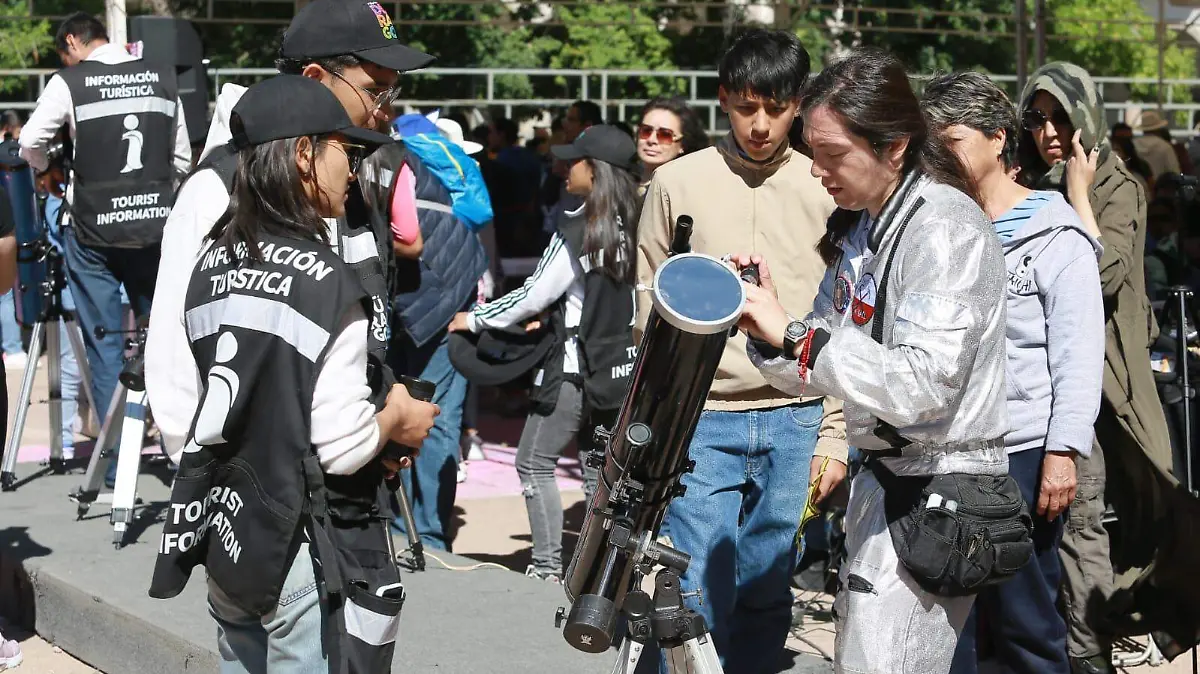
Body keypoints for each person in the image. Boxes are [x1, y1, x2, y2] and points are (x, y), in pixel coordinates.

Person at [147, 74, 439, 674]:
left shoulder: (212, 258)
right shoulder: (327, 283)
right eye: (346, 152)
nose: (354, 171)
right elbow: (343, 444)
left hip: (225, 527)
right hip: (293, 540)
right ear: (304, 154)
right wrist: (399, 418)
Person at [735, 47, 1010, 674]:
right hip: (884, 484)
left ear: (893, 146)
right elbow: (825, 350)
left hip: (938, 488)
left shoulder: (942, 227)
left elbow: (922, 387)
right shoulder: (866, 226)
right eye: (813, 153)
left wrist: (797, 339)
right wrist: (768, 326)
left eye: (832, 155)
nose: (817, 171)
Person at [637, 29, 846, 673]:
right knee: (695, 585)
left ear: (800, 104)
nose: (760, 124)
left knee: (766, 585)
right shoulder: (676, 185)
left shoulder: (829, 188)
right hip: (701, 418)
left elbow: (845, 319)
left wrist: (833, 435)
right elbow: (649, 314)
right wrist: (654, 428)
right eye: (745, 106)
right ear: (723, 100)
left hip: (799, 414)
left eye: (777, 108)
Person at [145, 0, 434, 460]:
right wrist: (197, 471)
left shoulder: (354, 176)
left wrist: (376, 427)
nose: (385, 112)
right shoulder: (218, 191)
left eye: (391, 94)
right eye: (374, 91)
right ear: (316, 79)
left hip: (347, 472)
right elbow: (174, 354)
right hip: (256, 494)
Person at [923, 71, 1106, 674]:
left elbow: (1079, 357)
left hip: (1024, 450)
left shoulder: (1055, 234)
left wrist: (1063, 452)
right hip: (948, 450)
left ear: (998, 139)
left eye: (952, 140)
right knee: (953, 624)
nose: (939, 155)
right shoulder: (934, 227)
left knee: (1026, 622)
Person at [1017, 62, 1173, 674]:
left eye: (1060, 116)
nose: (1049, 131)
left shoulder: (1115, 185)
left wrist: (1077, 195)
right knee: (1061, 517)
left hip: (1106, 381)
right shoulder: (1025, 181)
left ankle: (1089, 653)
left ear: (1085, 113)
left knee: (1092, 516)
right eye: (1037, 118)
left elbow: (1099, 275)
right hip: (1040, 381)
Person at [448, 124, 640, 582]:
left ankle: (547, 567)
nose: (563, 167)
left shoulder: (579, 226)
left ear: (593, 172)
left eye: (574, 160)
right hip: (620, 370)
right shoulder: (635, 226)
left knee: (533, 461)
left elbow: (533, 294)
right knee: (599, 474)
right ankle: (597, 573)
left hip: (573, 368)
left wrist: (473, 319)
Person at [20, 11, 191, 482]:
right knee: (166, 341)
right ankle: (184, 455)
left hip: (92, 231)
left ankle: (118, 465)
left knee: (103, 345)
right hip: (154, 230)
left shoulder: (70, 82)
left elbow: (30, 142)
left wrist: (50, 168)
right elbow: (181, 158)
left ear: (73, 41)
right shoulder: (161, 78)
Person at [386, 112, 490, 551]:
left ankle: (408, 528)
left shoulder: (390, 163)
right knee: (438, 417)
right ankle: (426, 530)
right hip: (450, 298)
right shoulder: (450, 176)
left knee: (406, 413)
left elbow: (409, 239)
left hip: (422, 302)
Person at [635, 97, 709, 193]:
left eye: (665, 135)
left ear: (683, 144)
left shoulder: (688, 190)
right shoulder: (620, 180)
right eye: (646, 131)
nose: (651, 140)